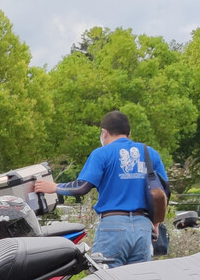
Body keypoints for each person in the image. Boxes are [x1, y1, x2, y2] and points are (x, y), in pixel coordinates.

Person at [32, 111, 167, 267]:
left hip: (113, 227)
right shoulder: (150, 153)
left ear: (104, 133)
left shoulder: (101, 154)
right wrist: (156, 222)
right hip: (143, 227)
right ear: (129, 133)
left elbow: (82, 187)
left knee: (106, 279)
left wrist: (55, 187)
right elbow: (163, 191)